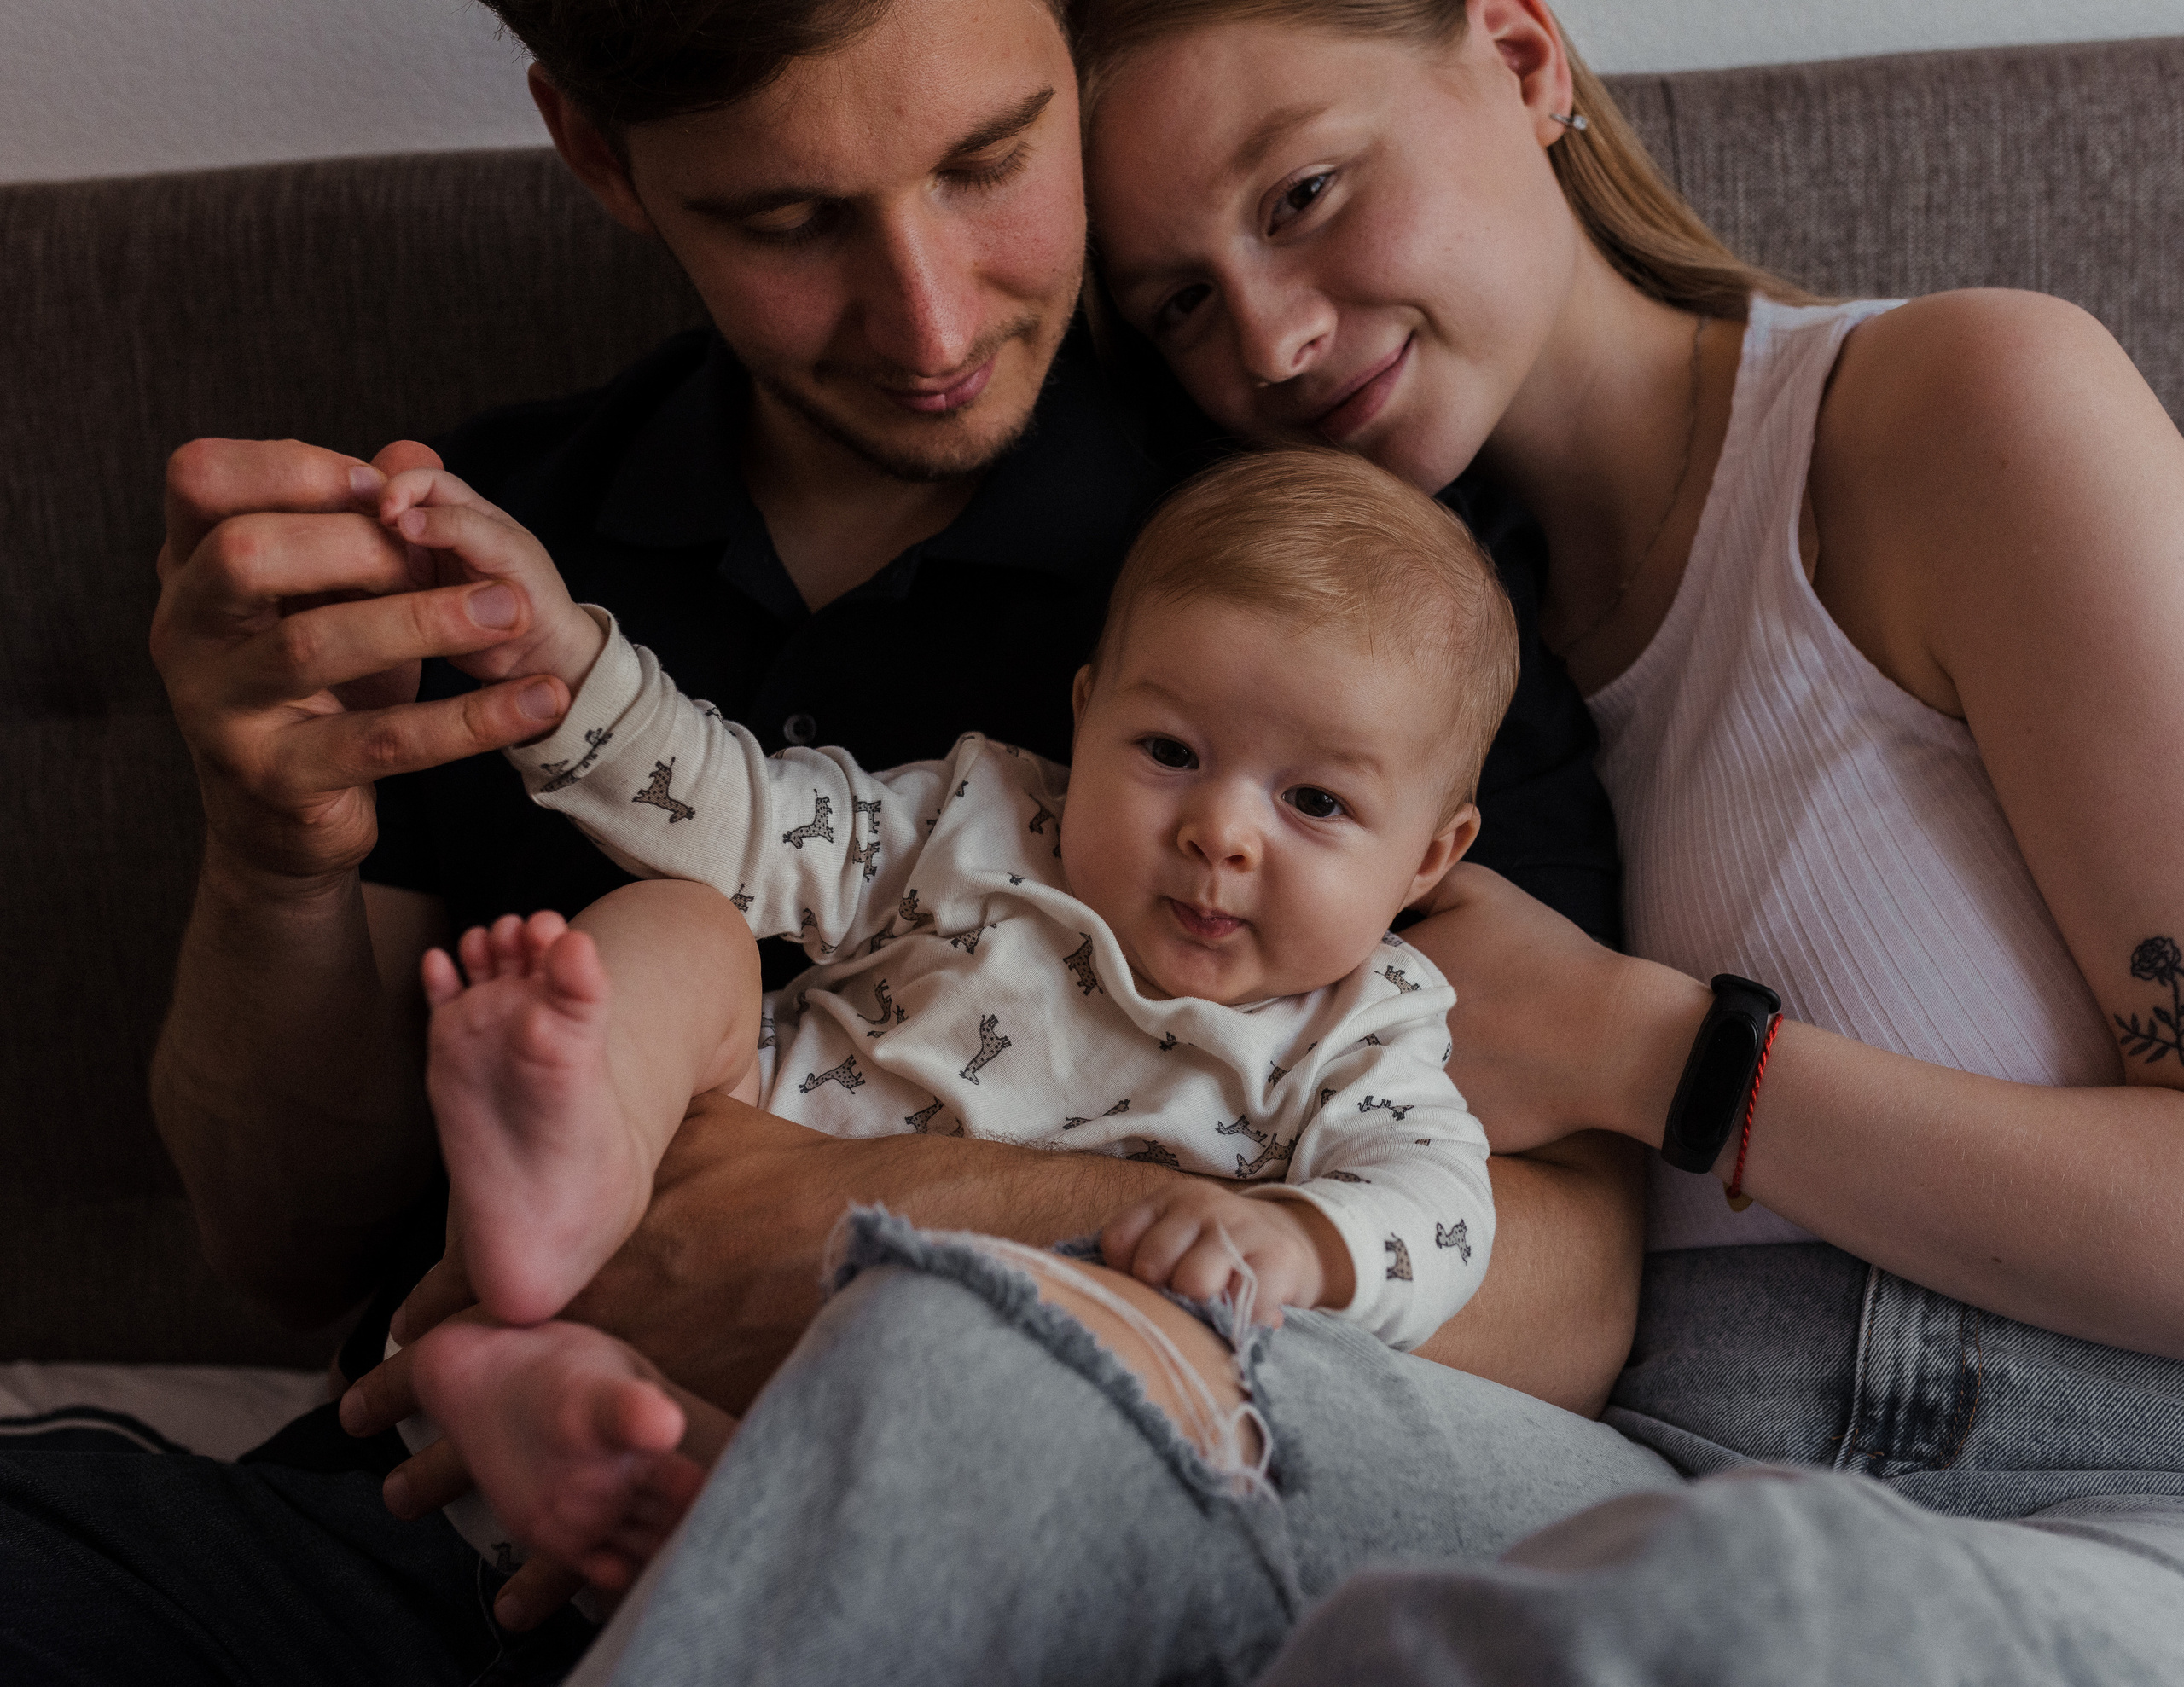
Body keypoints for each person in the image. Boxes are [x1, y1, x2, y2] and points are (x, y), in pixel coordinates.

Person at [519, 0, 2184, 1679]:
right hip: (1613, 1465)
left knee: (1748, 1597)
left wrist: (1658, 1055)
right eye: (1176, 301)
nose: (1270, 341)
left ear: (1522, 55)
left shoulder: (1951, 412)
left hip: (2097, 1483)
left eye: (1303, 192)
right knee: (983, 1343)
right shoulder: (1306, 655)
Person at [0, 0, 1641, 1679]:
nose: (928, 320)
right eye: (785, 220)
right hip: (423, 1509)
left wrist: (894, 1232)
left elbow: (1573, 1282)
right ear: (596, 152)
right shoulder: (511, 545)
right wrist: (275, 847)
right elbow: (287, 1255)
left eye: (988, 162)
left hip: (950, 1529)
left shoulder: (1331, 587)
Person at [404, 446, 1514, 1344]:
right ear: (1087, 716)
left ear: (1429, 856)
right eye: (1169, 748)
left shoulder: (1363, 1036)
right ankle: (573, 1142)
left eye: (1314, 800)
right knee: (691, 923)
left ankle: (580, 1409)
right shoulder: (975, 824)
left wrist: (1301, 1244)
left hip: (917, 1382)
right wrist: (556, 667)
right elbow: (733, 809)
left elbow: (1446, 1208)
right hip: (691, 1205)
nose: (1219, 831)